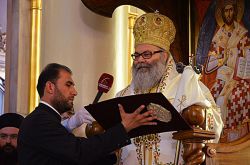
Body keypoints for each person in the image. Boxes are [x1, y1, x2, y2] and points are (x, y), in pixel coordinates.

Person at [115, 12, 223, 165]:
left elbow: (215, 124)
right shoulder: (123, 95)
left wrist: (201, 115)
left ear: (164, 55)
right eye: (137, 55)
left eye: (146, 54)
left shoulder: (188, 85)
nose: (140, 60)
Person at [17, 63, 158, 165]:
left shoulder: (46, 119)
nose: (74, 92)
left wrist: (114, 154)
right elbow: (79, 153)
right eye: (68, 84)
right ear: (50, 87)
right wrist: (123, 128)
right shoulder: (39, 121)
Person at [201, 0, 250, 140]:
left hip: (240, 79)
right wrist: (220, 60)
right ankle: (218, 137)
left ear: (235, 11)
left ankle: (237, 139)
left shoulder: (242, 34)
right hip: (222, 79)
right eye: (226, 11)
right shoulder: (218, 36)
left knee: (236, 97)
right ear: (221, 13)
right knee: (210, 98)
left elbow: (247, 58)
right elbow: (209, 66)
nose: (229, 13)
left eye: (231, 10)